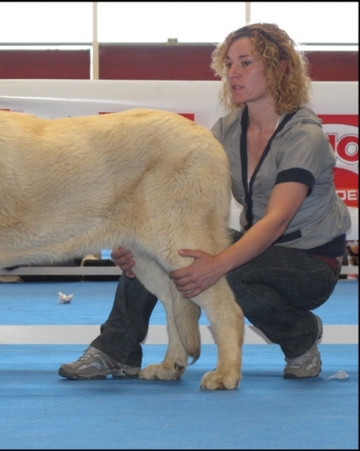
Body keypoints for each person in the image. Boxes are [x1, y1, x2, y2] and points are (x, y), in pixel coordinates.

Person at [59, 23, 351, 381]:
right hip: (256, 245)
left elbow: (276, 221)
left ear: (280, 67)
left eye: (245, 63)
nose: (233, 73)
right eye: (229, 64)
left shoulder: (304, 135)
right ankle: (117, 350)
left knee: (232, 275)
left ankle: (301, 337)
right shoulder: (227, 130)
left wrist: (215, 265)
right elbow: (172, 193)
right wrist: (130, 239)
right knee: (154, 242)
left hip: (312, 261)